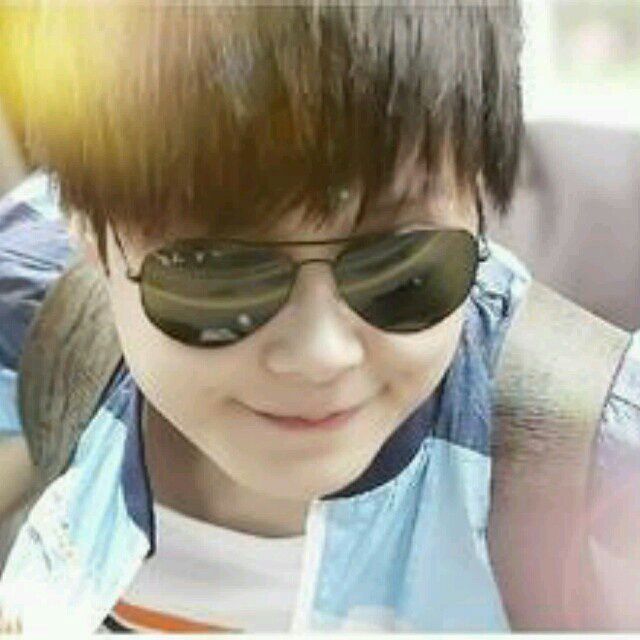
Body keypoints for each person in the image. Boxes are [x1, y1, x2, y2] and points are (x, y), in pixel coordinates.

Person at [0, 2, 638, 633]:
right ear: (88, 233)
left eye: (398, 267)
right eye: (219, 273)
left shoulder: (599, 463)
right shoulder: (32, 294)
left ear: (477, 205)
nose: (320, 354)